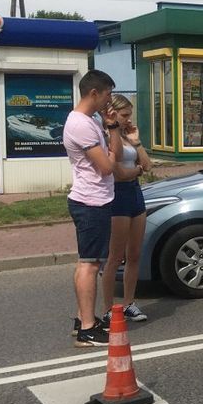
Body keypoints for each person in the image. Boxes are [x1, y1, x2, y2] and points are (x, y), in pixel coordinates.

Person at [62, 70, 120, 347]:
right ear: (94, 93)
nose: (110, 100)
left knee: (88, 261)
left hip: (95, 199)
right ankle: (87, 329)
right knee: (89, 264)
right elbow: (108, 167)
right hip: (90, 202)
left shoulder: (92, 120)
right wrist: (110, 153)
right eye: (108, 93)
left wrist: (112, 128)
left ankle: (83, 319)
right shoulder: (80, 124)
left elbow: (114, 156)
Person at [100, 94, 150, 323]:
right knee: (115, 256)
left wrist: (137, 141)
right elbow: (118, 173)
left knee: (134, 254)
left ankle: (129, 303)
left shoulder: (128, 137)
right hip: (118, 196)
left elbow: (147, 165)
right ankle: (109, 308)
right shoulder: (107, 136)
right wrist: (137, 171)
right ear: (114, 114)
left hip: (135, 194)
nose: (129, 119)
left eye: (130, 115)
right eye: (125, 115)